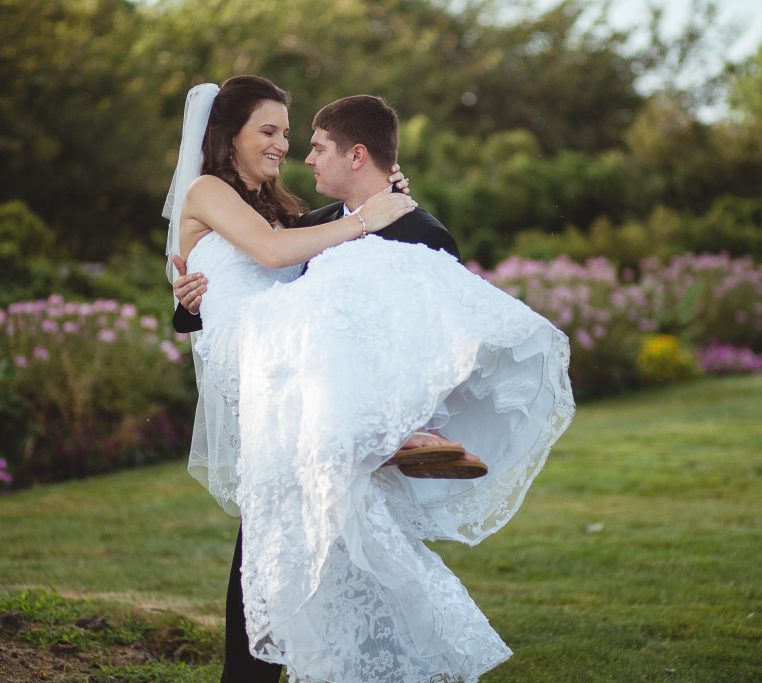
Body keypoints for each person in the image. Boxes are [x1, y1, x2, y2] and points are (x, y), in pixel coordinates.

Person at [166, 76, 574, 682]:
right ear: (230, 136)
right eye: (270, 131)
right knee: (348, 285)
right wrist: (368, 219)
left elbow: (299, 242)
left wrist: (378, 204)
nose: (285, 146)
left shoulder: (278, 208)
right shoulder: (207, 190)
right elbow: (275, 256)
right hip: (258, 352)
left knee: (292, 524)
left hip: (285, 359)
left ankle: (386, 432)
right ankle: (393, 429)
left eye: (290, 133)